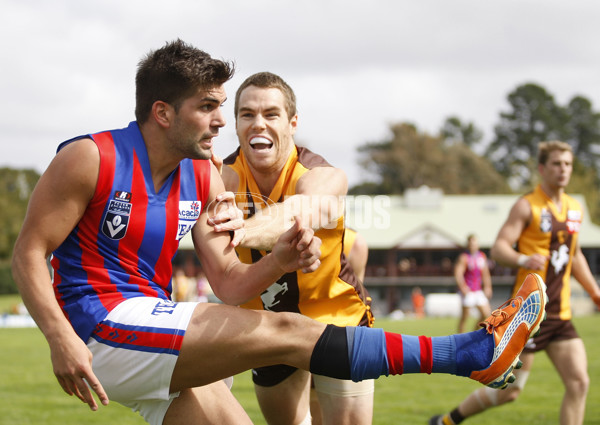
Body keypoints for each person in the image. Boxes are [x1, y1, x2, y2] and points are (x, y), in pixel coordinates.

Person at [12, 39, 547, 425]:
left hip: (155, 333)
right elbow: (29, 254)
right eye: (210, 108)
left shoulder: (203, 174)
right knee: (285, 332)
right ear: (162, 113)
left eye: (227, 109)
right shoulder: (91, 157)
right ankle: (473, 354)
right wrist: (60, 338)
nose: (224, 123)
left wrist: (279, 260)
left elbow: (228, 282)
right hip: (100, 326)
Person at [221, 72, 374, 425]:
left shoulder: (324, 174)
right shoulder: (223, 177)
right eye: (247, 114)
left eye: (271, 114)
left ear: (292, 123)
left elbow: (302, 211)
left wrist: (236, 232)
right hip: (266, 324)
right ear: (236, 123)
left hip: (334, 317)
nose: (258, 123)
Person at [430, 141, 600, 425]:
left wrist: (595, 292)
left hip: (560, 315)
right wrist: (522, 260)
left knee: (579, 382)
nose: (563, 170)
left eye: (568, 164)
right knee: (509, 392)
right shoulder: (526, 206)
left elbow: (575, 254)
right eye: (557, 164)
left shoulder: (574, 208)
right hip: (529, 315)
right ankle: (448, 421)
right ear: (542, 169)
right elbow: (498, 248)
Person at [454, 234, 492, 333]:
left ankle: (474, 333)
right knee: (465, 316)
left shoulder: (481, 256)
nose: (473, 246)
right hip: (468, 290)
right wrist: (463, 287)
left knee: (486, 314)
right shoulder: (464, 257)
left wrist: (488, 287)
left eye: (474, 243)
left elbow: (485, 273)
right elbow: (458, 273)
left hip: (478, 290)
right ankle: (460, 337)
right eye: (471, 244)